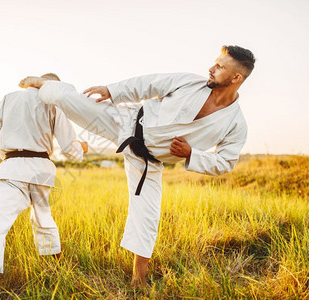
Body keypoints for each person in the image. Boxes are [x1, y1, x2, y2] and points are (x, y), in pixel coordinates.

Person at [18, 45, 255, 289]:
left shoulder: (235, 123)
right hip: (125, 123)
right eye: (215, 62)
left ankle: (138, 279)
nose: (211, 68)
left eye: (220, 66)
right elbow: (149, 84)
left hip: (148, 162)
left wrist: (191, 155)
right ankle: (47, 83)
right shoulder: (189, 82)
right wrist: (112, 90)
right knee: (62, 97)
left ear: (236, 78)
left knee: (148, 216)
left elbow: (226, 162)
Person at [0, 73, 88, 297]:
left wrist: (11, 146)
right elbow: (70, 147)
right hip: (41, 168)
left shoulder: (9, 98)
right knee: (43, 218)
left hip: (11, 167)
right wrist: (83, 149)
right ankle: (57, 271)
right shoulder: (54, 105)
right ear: (52, 87)